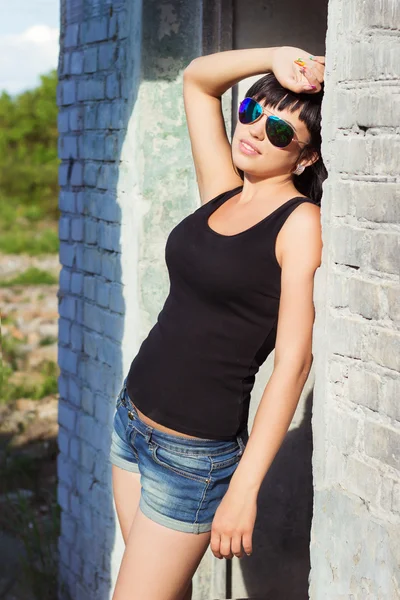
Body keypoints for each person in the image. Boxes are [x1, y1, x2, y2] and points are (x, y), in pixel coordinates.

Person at [110, 45, 326, 600]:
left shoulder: (299, 223)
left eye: (281, 133)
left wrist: (244, 488)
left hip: (191, 458)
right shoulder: (224, 191)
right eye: (252, 110)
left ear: (304, 160)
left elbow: (293, 364)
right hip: (132, 424)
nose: (255, 130)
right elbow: (198, 80)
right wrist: (277, 57)